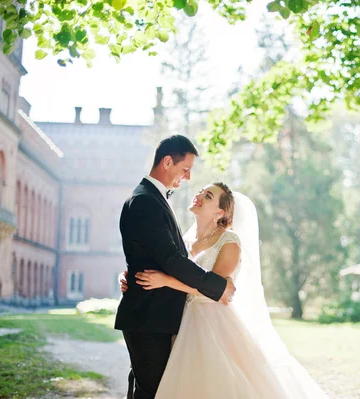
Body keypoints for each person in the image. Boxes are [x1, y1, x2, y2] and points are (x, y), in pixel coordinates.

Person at [121, 182, 329, 398]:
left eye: (208, 195)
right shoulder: (185, 241)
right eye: (202, 191)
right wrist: (129, 276)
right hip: (177, 319)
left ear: (220, 212)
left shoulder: (229, 242)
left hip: (210, 322)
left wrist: (166, 281)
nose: (199, 195)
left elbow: (214, 289)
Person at [114, 135, 236, 399]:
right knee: (154, 392)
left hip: (157, 317)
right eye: (185, 169)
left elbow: (154, 255)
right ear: (167, 162)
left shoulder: (152, 198)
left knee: (148, 390)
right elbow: (171, 260)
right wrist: (218, 286)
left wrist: (133, 275)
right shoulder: (146, 200)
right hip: (148, 318)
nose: (189, 178)